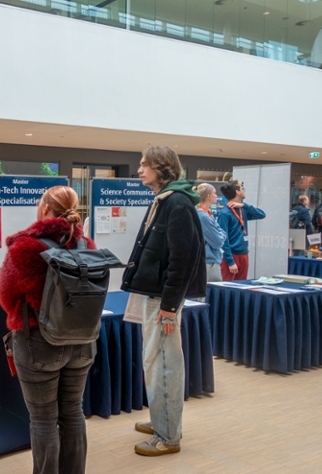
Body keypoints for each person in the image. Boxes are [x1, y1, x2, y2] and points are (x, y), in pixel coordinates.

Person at [0, 185, 96, 474]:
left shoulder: (26, 247)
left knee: (43, 419)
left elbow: (5, 295)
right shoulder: (86, 246)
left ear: (43, 209)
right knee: (73, 412)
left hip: (38, 343)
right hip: (83, 342)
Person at [121, 146, 206, 456]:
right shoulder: (166, 200)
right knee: (155, 362)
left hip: (163, 300)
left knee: (164, 364)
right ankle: (163, 420)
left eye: (146, 165)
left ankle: (167, 436)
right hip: (156, 295)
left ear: (163, 168)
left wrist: (169, 306)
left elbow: (182, 260)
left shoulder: (178, 204)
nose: (140, 169)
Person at [217, 180, 266, 281]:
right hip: (231, 255)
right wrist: (230, 261)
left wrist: (244, 205)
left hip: (244, 254)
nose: (244, 191)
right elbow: (223, 239)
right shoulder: (225, 213)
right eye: (242, 189)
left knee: (241, 286)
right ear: (238, 192)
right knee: (228, 288)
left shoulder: (243, 209)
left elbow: (261, 214)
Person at [193, 183, 226, 284]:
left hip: (210, 261)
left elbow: (221, 233)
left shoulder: (207, 214)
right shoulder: (202, 216)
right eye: (214, 193)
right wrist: (221, 235)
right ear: (208, 196)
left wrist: (221, 234)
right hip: (208, 263)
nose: (216, 196)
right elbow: (218, 242)